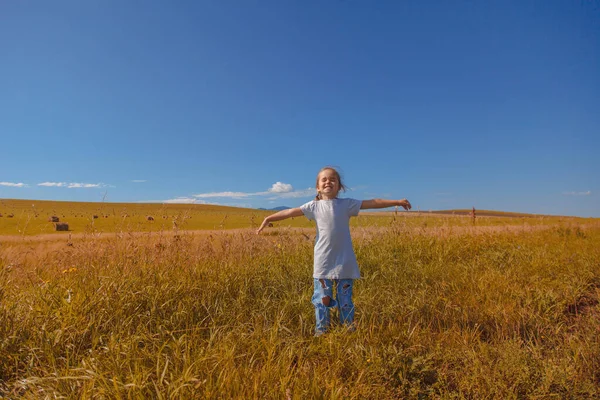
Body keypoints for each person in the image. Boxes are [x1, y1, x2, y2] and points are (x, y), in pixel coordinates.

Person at [256, 166, 411, 336]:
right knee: (322, 299)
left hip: (345, 262)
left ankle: (347, 329)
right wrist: (268, 217)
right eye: (324, 179)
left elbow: (373, 202)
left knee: (345, 300)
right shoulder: (313, 206)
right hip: (323, 262)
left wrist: (396, 202)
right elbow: (290, 212)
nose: (328, 182)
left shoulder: (347, 204)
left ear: (339, 186)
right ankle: (321, 331)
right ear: (317, 187)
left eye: (332, 179)